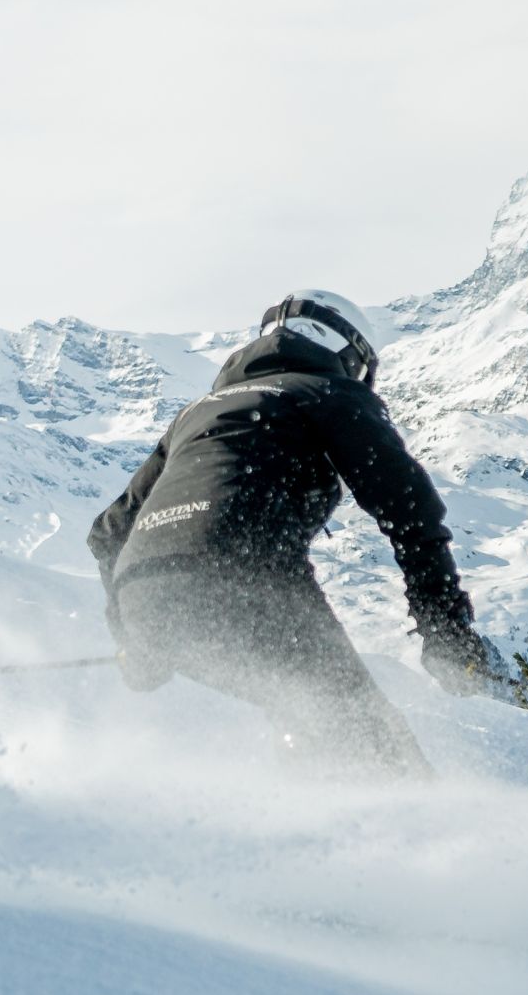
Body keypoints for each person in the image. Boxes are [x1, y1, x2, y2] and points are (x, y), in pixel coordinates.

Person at [87, 290, 498, 777]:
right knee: (374, 746)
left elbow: (109, 532)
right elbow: (410, 509)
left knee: (306, 713)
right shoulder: (327, 392)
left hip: (147, 594)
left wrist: (131, 633)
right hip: (245, 580)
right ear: (349, 354)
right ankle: (394, 828)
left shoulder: (197, 412)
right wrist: (445, 630)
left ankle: (295, 824)